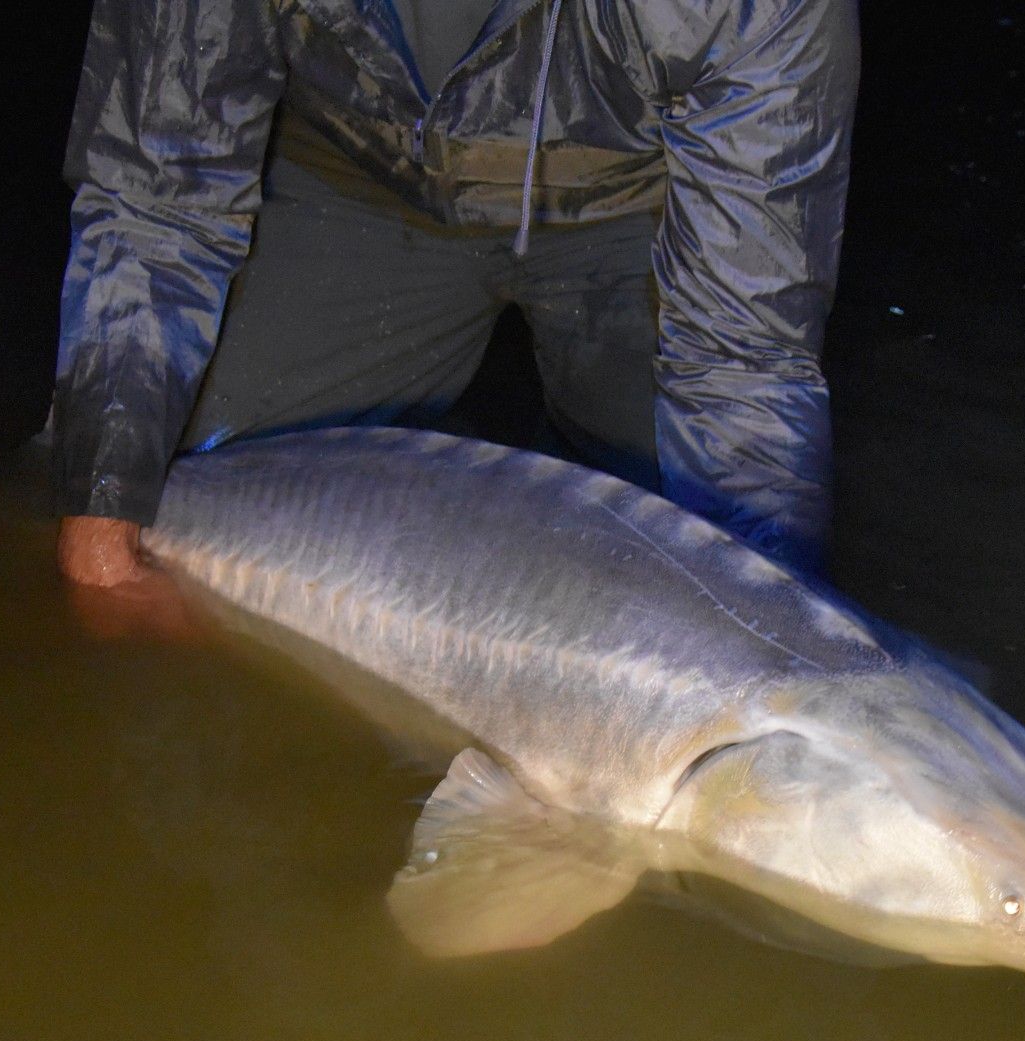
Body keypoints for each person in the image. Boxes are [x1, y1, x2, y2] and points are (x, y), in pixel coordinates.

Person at [50, 0, 859, 608]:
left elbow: (744, 359)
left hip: (631, 210)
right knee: (162, 499)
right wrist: (99, 526)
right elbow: (155, 199)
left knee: (706, 559)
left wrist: (776, 622)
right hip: (356, 178)